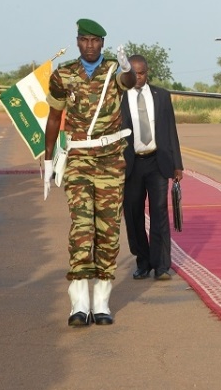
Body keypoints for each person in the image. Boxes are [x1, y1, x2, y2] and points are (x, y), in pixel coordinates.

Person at [43, 18, 136, 327]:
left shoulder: (114, 72)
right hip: (80, 159)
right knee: (82, 230)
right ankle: (79, 303)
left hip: (111, 160)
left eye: (96, 41)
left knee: (108, 232)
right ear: (78, 41)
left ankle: (102, 301)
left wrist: (127, 67)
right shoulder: (64, 75)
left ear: (103, 44)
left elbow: (131, 82)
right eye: (85, 40)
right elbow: (55, 118)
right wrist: (47, 160)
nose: (91, 45)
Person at [121, 55, 184, 281]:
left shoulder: (162, 96)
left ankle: (162, 265)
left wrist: (177, 164)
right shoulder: (118, 97)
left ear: (148, 72)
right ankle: (143, 261)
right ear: (126, 72)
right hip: (131, 164)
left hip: (157, 161)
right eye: (133, 73)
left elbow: (170, 131)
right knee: (133, 214)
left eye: (142, 73)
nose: (138, 78)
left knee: (159, 213)